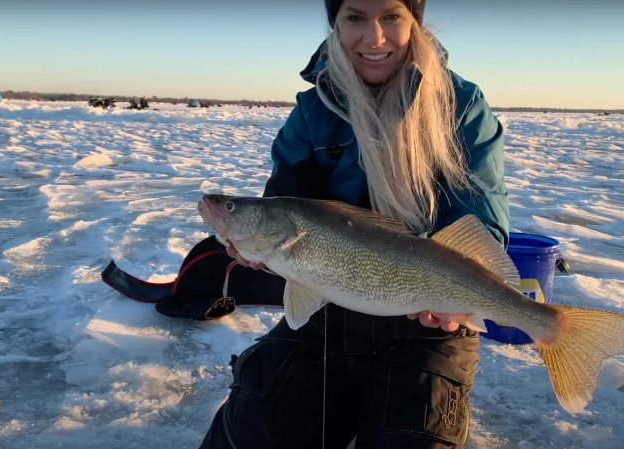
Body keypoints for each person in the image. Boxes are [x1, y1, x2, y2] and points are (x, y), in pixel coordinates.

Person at [199, 0, 509, 447]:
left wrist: (457, 299)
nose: (374, 37)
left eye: (391, 17)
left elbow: (480, 225)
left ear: (414, 23)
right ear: (335, 24)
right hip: (329, 312)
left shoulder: (461, 106)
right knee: (251, 434)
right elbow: (287, 203)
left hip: (427, 324)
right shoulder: (313, 110)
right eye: (355, 17)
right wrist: (262, 256)